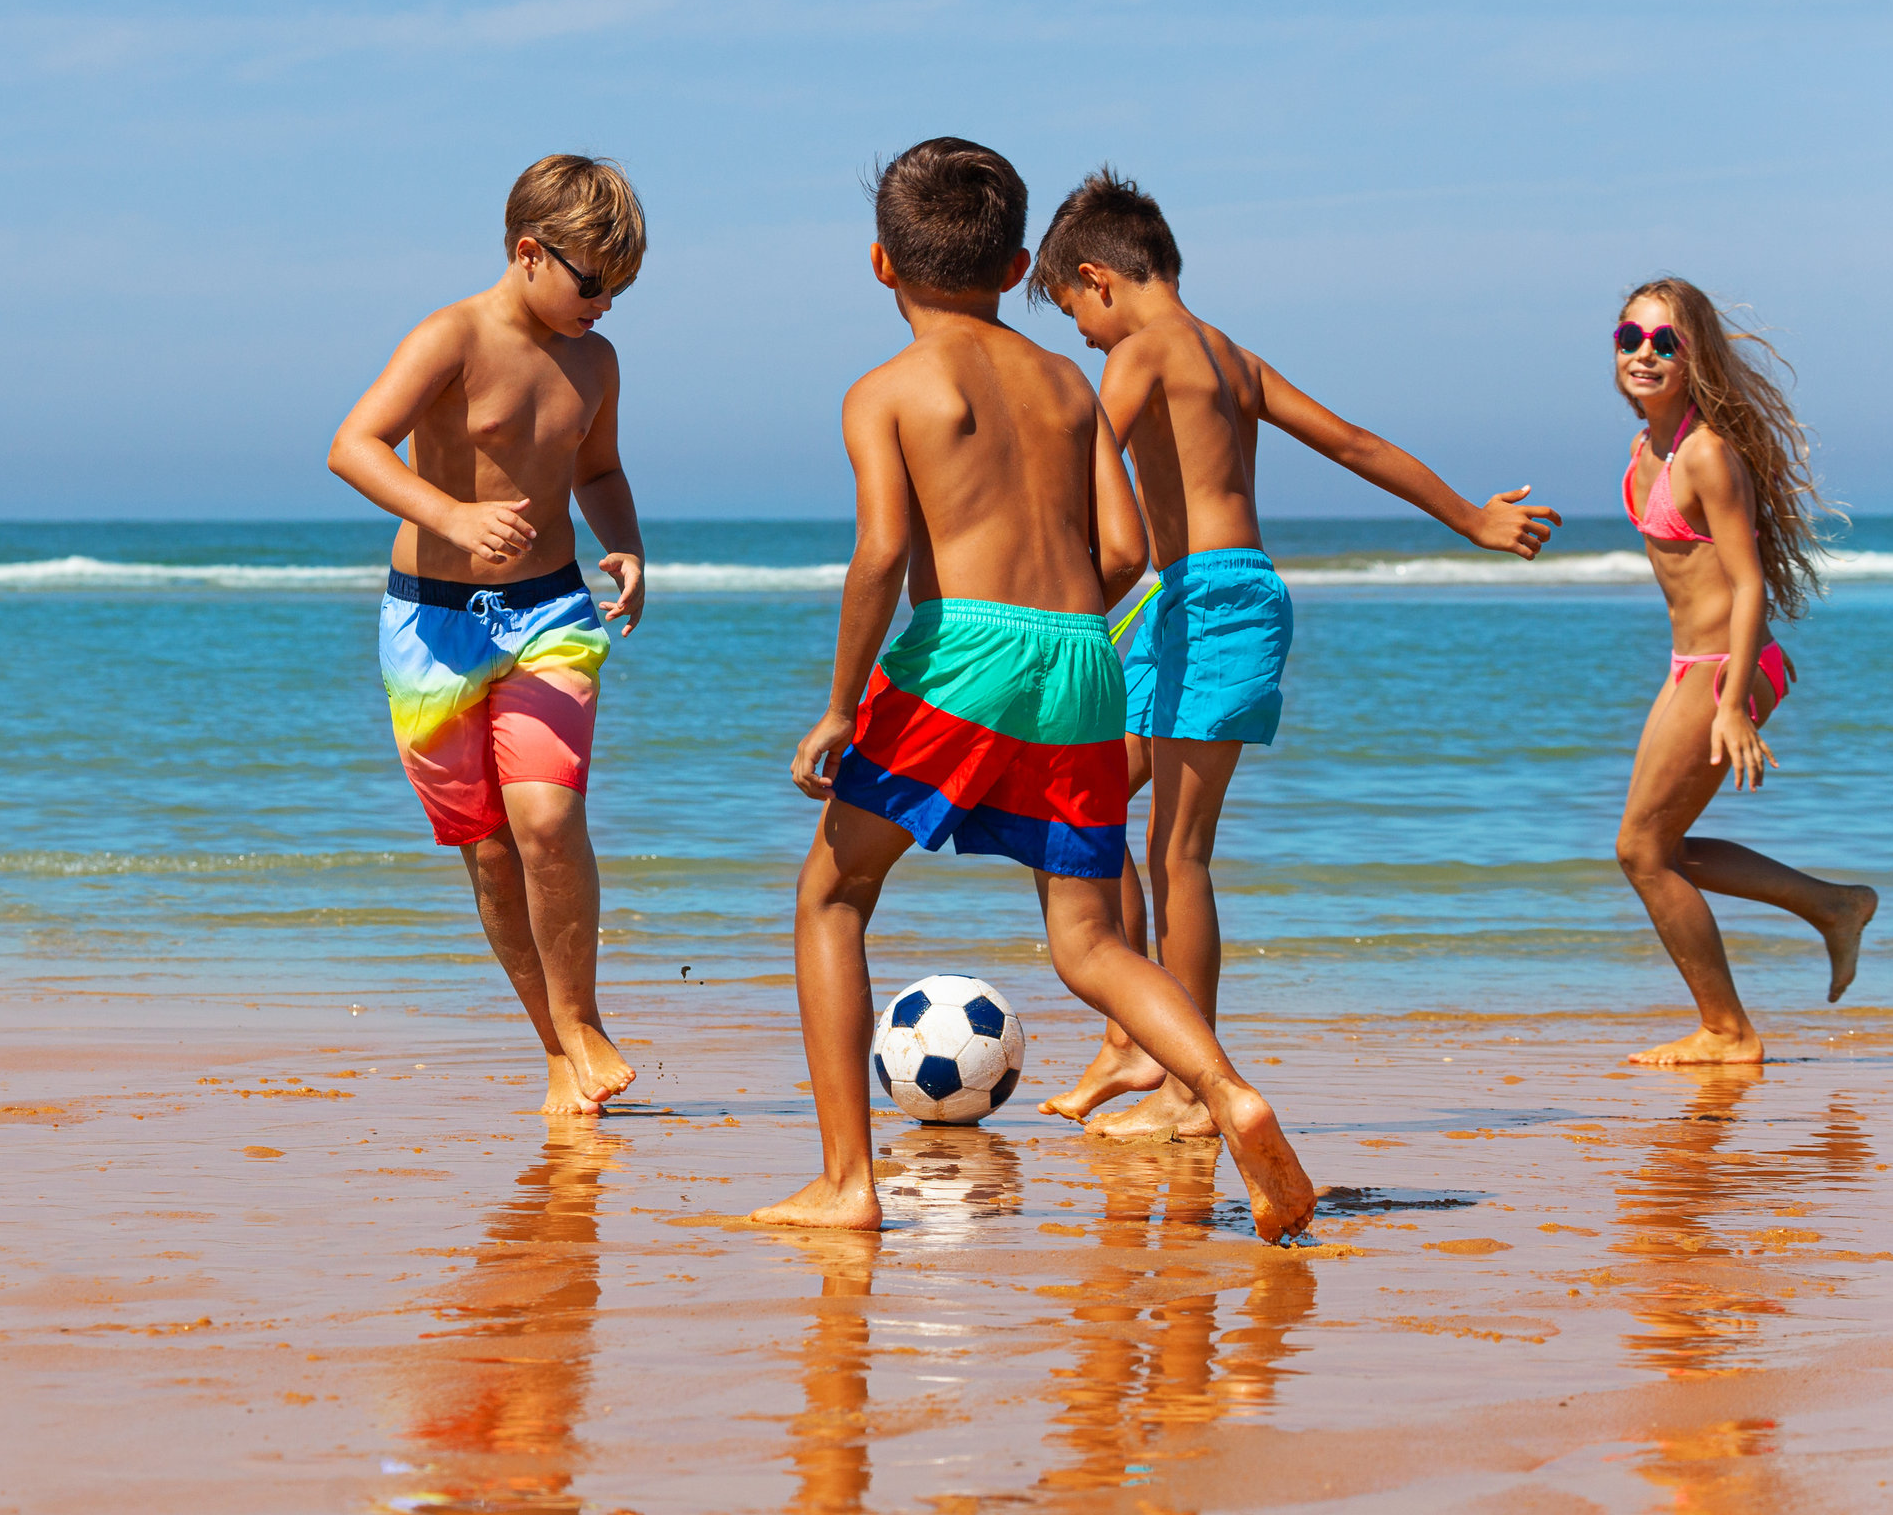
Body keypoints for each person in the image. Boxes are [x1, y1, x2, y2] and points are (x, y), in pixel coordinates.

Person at [748, 138, 1315, 1243]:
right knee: (1090, 940)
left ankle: (847, 1184)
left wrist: (839, 703)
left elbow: (876, 559)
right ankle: (1225, 1089)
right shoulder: (1066, 381)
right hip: (1087, 656)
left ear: (880, 265)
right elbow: (1125, 548)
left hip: (966, 650)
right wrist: (1058, 630)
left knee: (833, 894)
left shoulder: (888, 391)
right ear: (1019, 270)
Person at [1025, 170, 1558, 1139]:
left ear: (1099, 280)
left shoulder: (1141, 355)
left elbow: (1081, 468)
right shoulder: (1234, 358)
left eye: (1072, 314)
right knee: (1095, 790)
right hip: (1179, 601)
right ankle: (1130, 1037)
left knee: (1178, 850)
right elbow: (1352, 444)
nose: (1083, 335)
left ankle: (1191, 1088)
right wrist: (1471, 517)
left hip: (1217, 600)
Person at [327, 153, 650, 1114]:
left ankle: (583, 1019)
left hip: (552, 609)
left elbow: (598, 469)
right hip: (432, 624)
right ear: (529, 253)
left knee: (547, 821)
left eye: (622, 288)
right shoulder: (452, 337)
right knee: (490, 849)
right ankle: (558, 1051)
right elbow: (352, 445)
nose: (606, 305)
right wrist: (452, 515)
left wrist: (625, 545)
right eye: (595, 282)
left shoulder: (595, 360)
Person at [1605, 277, 1875, 1063]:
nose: (1645, 355)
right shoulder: (1645, 448)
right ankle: (1835, 905)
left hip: (1731, 666)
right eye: (1631, 339)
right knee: (1660, 848)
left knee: (1640, 850)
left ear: (1696, 358)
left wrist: (1729, 704)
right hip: (1691, 663)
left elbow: (1749, 582)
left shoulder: (1705, 453)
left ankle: (1728, 1031)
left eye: (1666, 343)